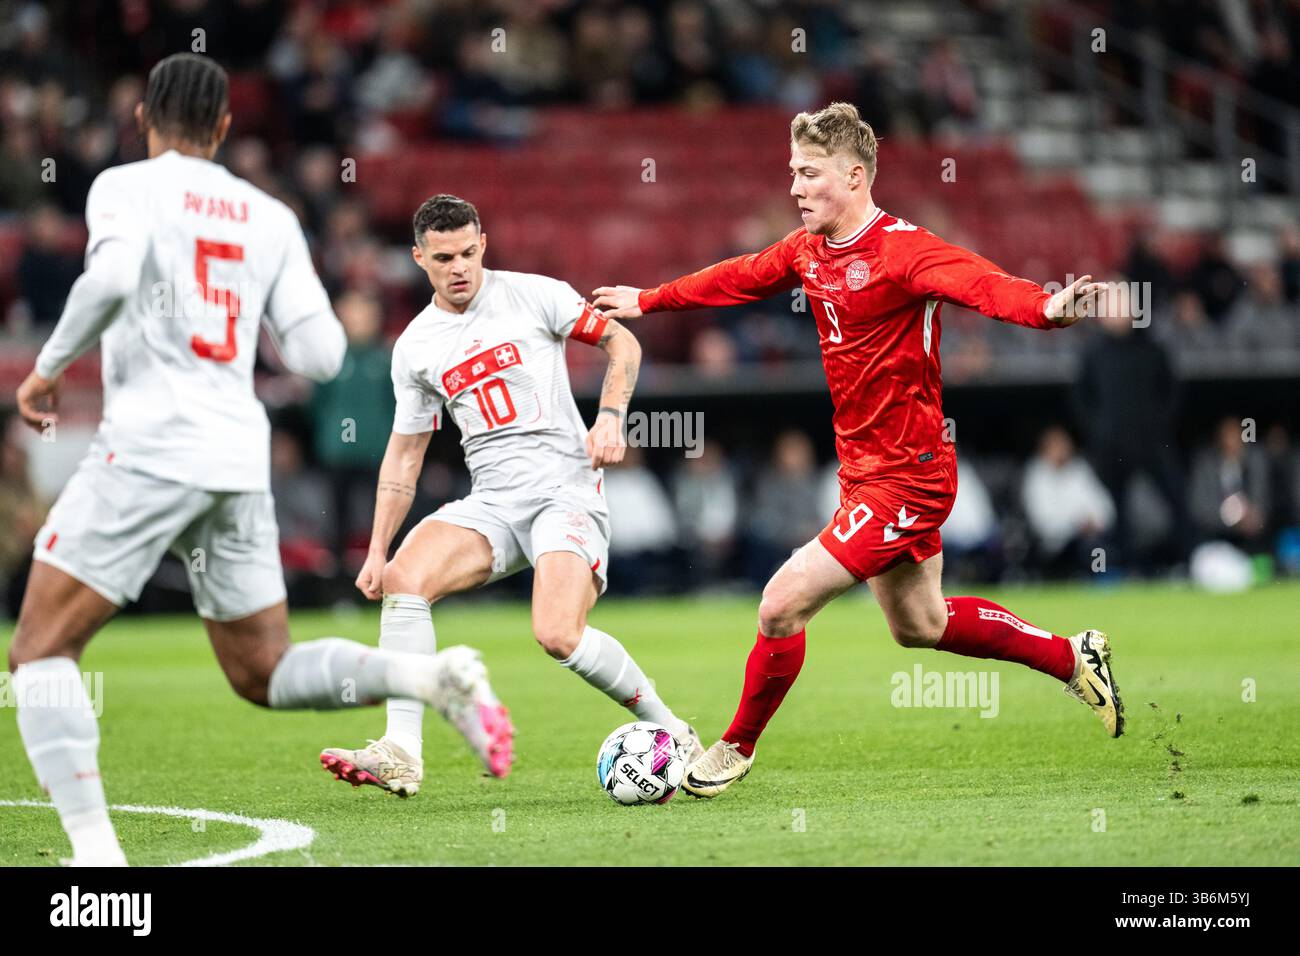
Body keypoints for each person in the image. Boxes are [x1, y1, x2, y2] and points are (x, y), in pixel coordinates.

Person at [8, 55, 504, 867]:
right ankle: (426, 677)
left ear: (143, 120)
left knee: (37, 653)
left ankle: (97, 860)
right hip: (235, 458)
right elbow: (317, 351)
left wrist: (47, 367)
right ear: (226, 129)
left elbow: (111, 280)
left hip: (151, 446)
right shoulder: (266, 215)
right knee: (262, 670)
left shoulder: (123, 188)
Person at [593, 102, 1122, 799]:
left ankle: (734, 747)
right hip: (864, 475)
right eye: (792, 173)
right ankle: (1072, 657)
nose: (795, 187)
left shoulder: (904, 250)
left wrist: (1045, 309)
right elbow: (742, 275)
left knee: (780, 604)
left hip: (910, 479)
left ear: (854, 175)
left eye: (808, 174)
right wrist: (651, 299)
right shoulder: (809, 251)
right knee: (919, 625)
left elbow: (981, 283)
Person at [319, 194, 702, 797]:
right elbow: (404, 455)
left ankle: (672, 730)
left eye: (469, 252)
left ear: (484, 245)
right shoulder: (416, 346)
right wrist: (375, 550)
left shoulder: (535, 294)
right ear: (419, 257)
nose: (460, 267)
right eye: (444, 257)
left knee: (557, 635)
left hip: (564, 492)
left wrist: (609, 417)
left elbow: (622, 344)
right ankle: (401, 752)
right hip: (493, 502)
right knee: (402, 579)